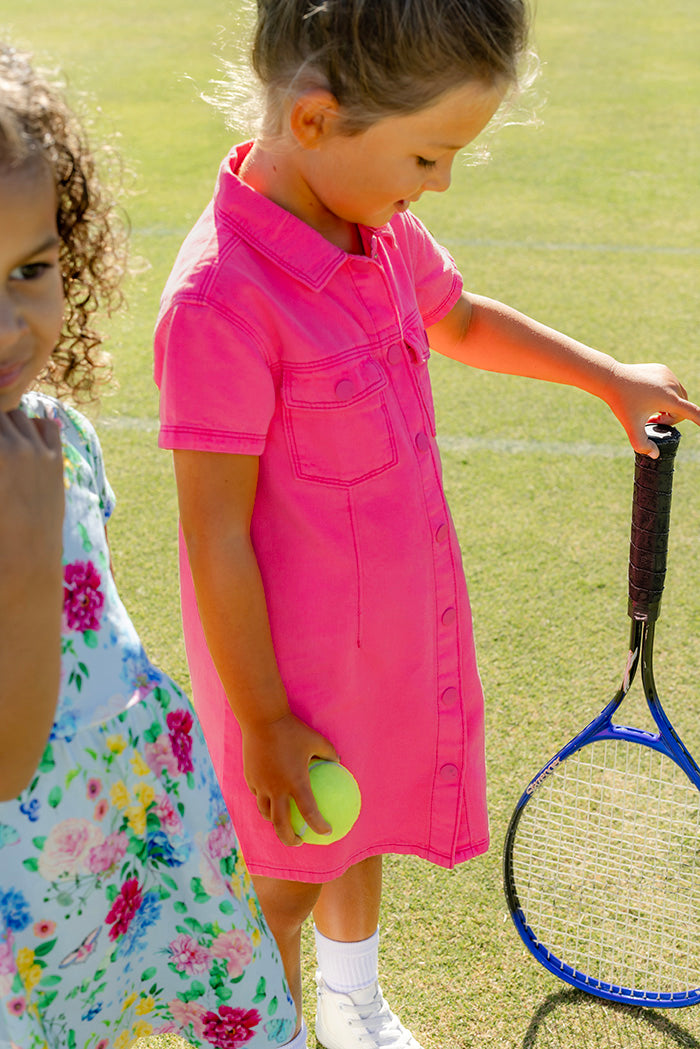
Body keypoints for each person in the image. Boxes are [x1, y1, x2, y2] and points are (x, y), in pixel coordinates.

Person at [153, 2, 700, 1047]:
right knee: (276, 890)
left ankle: (351, 1002)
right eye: (428, 153)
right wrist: (266, 721)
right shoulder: (219, 300)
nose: (438, 183)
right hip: (284, 672)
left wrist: (604, 377)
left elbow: (456, 316)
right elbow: (212, 536)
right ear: (315, 120)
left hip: (381, 641)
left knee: (356, 834)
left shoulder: (374, 223)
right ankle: (263, 1030)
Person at [0, 44, 299, 1049]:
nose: (10, 320)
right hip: (27, 876)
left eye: (29, 268)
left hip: (131, 810)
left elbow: (100, 629)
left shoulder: (53, 429)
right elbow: (4, 763)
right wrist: (26, 558)